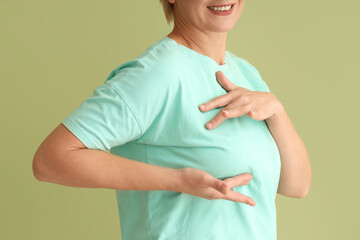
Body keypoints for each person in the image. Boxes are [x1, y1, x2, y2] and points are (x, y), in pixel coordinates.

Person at [32, 0, 311, 239]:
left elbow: (295, 185)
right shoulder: (157, 73)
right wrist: (178, 180)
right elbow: (51, 159)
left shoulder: (246, 74)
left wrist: (276, 110)